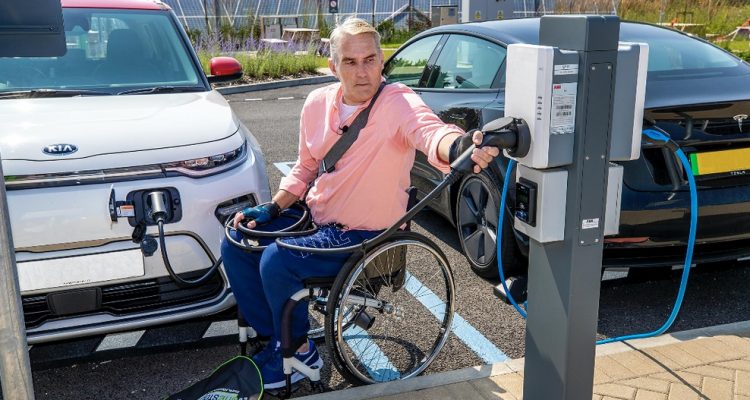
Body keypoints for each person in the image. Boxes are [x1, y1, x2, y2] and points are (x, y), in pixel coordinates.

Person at [220, 17, 500, 390]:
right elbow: (305, 169)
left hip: (365, 235)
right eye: (350, 62)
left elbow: (431, 132)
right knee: (238, 241)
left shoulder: (397, 102)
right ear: (333, 66)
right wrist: (271, 208)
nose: (362, 71)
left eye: (370, 59)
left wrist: (461, 146)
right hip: (318, 219)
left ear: (381, 61)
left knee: (277, 260)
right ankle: (280, 336)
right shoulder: (317, 103)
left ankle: (297, 350)